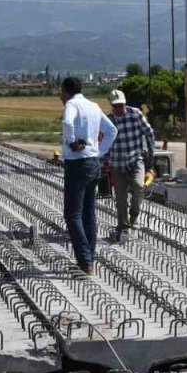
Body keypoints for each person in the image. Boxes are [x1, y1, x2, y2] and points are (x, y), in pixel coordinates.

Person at [59, 77, 116, 274]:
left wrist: (72, 142)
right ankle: (90, 256)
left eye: (61, 92)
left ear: (66, 92)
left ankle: (85, 260)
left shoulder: (71, 104)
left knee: (72, 214)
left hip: (77, 164)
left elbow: (67, 121)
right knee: (88, 212)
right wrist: (99, 151)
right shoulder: (93, 106)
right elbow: (111, 130)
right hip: (94, 163)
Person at [104, 89, 156, 241]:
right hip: (117, 164)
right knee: (120, 198)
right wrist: (104, 162)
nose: (118, 109)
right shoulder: (108, 121)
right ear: (111, 106)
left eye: (120, 105)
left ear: (125, 103)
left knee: (139, 186)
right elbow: (104, 143)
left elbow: (149, 132)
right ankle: (123, 225)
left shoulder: (135, 114)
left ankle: (134, 214)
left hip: (135, 160)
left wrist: (149, 151)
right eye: (115, 106)